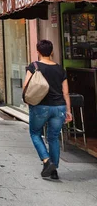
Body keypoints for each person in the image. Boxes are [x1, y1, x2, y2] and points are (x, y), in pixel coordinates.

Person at [23, 40, 72, 180]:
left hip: (40, 106)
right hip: (59, 107)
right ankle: (54, 170)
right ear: (51, 52)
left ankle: (46, 161)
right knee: (53, 137)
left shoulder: (34, 66)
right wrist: (68, 111)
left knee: (35, 133)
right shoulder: (60, 69)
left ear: (38, 51)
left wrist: (27, 100)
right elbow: (66, 92)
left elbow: (27, 86)